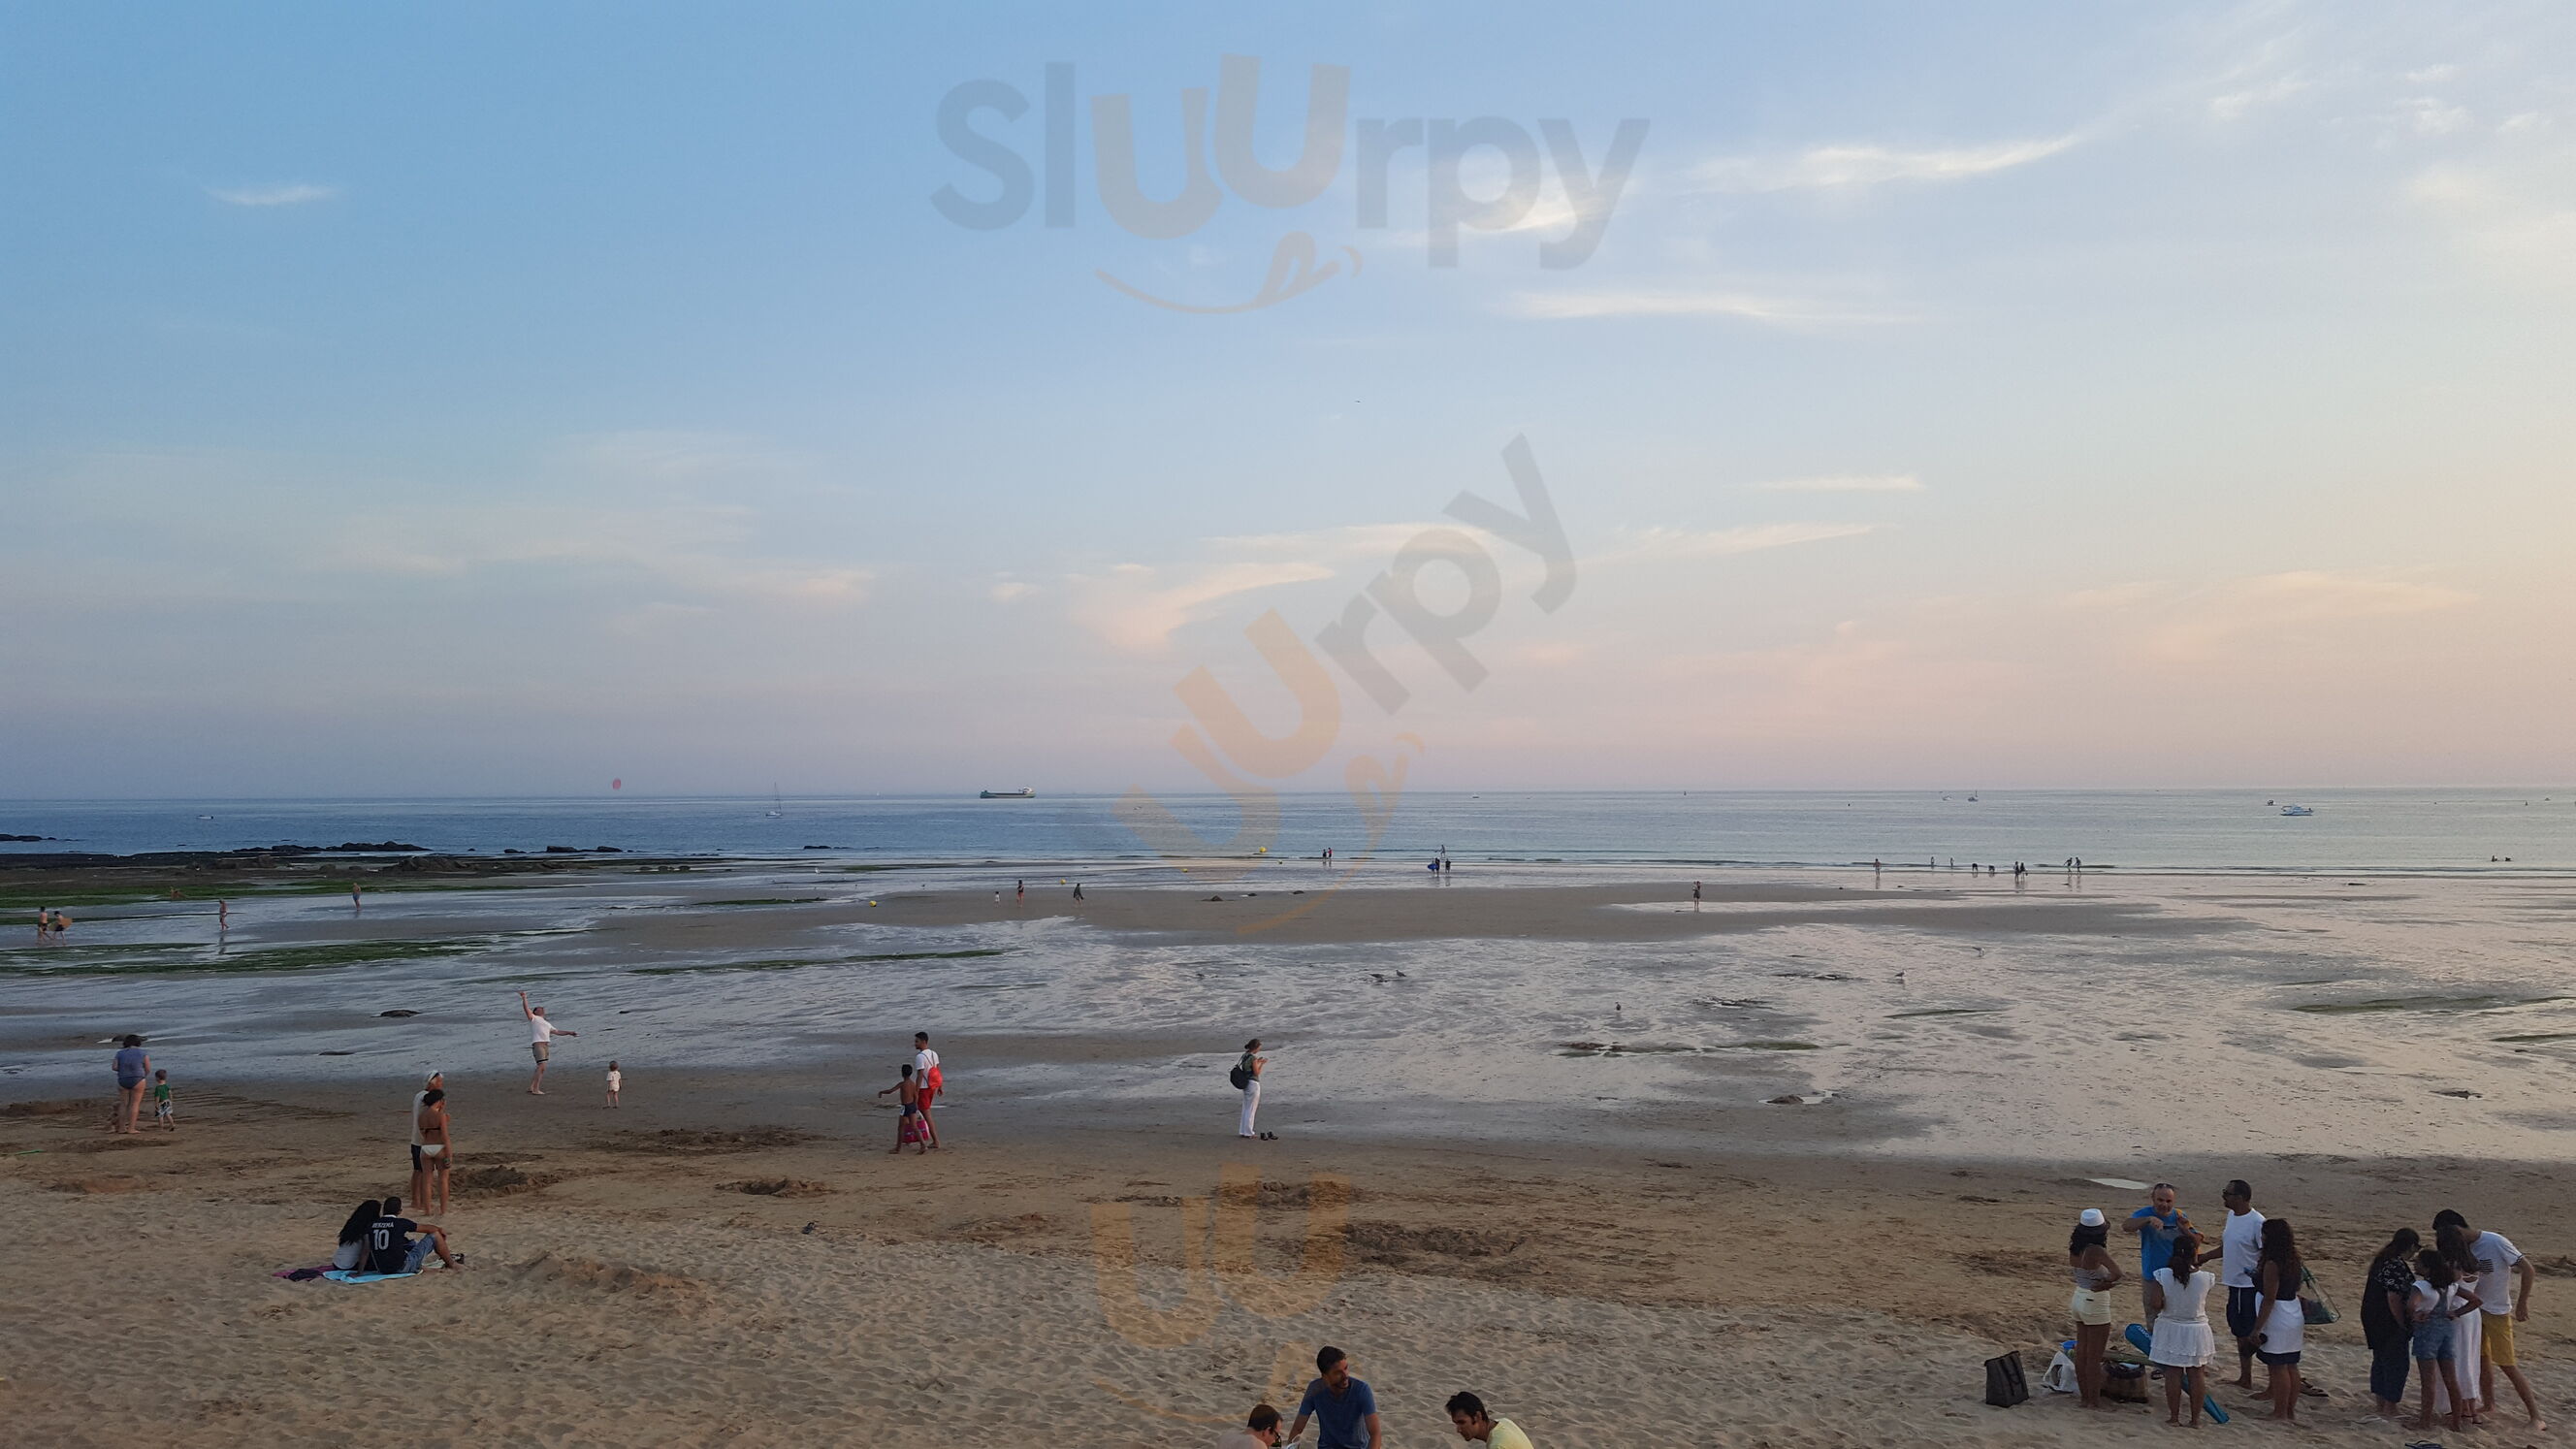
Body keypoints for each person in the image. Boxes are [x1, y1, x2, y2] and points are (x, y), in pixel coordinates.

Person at [2441, 1208, 2546, 1429]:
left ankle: (2536, 1416)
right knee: (2480, 1360)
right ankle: (2489, 1404)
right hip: (2474, 1313)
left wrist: (2522, 1303)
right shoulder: (2462, 1249)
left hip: (2497, 1311)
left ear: (2457, 1228)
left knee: (2507, 1363)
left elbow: (2528, 1269)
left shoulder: (2495, 1241)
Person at [2144, 1235, 2216, 1429]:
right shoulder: (2206, 1278)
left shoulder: (2163, 1275)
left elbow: (2155, 1304)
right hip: (2196, 1328)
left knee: (2173, 1374)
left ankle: (2174, 1417)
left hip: (2171, 1327)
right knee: (2197, 1374)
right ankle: (2195, 1419)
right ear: (2195, 1253)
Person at [2201, 1179, 2266, 1390]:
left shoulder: (2257, 1222)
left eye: (2227, 1193)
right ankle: (2245, 1376)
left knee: (2250, 1332)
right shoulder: (2232, 1216)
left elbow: (2266, 1253)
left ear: (2240, 1197)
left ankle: (2255, 1376)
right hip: (2234, 1284)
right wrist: (2204, 1257)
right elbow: (2227, 1247)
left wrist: (2258, 1275)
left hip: (2249, 1286)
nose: (2223, 1196)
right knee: (2238, 1330)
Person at [2412, 1246, 2483, 1433]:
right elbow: (2476, 1301)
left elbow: (2411, 1305)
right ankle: (2456, 1422)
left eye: (2418, 1263)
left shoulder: (2421, 1287)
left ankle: (2425, 1422)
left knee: (2428, 1380)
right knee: (2451, 1378)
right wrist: (2456, 1313)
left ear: (2427, 1267)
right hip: (2447, 1331)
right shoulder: (2451, 1286)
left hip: (2427, 1333)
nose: (2415, 1265)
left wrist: (2415, 1315)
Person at [2247, 1218, 2305, 1422]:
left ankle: (2280, 1412)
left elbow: (2269, 1298)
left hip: (2278, 1316)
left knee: (2278, 1366)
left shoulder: (2272, 1263)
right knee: (2291, 1365)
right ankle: (2289, 1410)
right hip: (2293, 1311)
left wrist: (2257, 1328)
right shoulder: (2293, 1259)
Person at [2068, 1208, 2123, 1410]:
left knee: (2081, 1352)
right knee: (2094, 1356)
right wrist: (2107, 1283)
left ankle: (2085, 1398)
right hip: (2095, 1300)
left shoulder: (2075, 1248)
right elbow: (2118, 1273)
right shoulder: (2096, 1251)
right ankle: (2094, 1400)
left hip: (2079, 1295)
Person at [2364, 1228, 2423, 1420]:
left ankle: (2381, 1404)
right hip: (2387, 1320)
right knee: (2396, 1363)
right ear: (2411, 1246)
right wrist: (2401, 1323)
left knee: (2381, 1360)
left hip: (2373, 1317)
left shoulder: (2383, 1260)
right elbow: (2393, 1297)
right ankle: (2390, 1406)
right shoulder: (2395, 1265)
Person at [2433, 1219, 2486, 1421]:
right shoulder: (2472, 1262)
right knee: (2469, 1359)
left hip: (2457, 1312)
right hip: (2472, 1316)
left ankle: (2461, 1406)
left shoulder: (2451, 1266)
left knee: (2456, 1360)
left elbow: (2450, 1289)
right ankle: (2470, 1406)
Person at [2123, 1182, 2195, 1320]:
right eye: (2160, 1200)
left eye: (2168, 1201)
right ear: (2153, 1198)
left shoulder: (2180, 1215)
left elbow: (2195, 1240)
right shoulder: (2145, 1213)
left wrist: (2185, 1229)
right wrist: (2148, 1220)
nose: (2164, 1205)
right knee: (2154, 1315)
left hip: (2178, 1273)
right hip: (2153, 1273)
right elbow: (2126, 1226)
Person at [1290, 1347, 1381, 1449]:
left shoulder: (1361, 1390)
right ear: (1325, 1377)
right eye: (1338, 1373)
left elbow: (1375, 1433)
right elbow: (1297, 1429)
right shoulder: (1315, 1390)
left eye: (1346, 1368)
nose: (1345, 1375)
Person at [365, 1195, 460, 1273]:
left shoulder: (372, 1225)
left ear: (383, 1210)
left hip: (382, 1269)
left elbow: (365, 1251)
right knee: (435, 1235)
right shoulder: (400, 1223)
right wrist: (440, 1229)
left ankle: (424, 1268)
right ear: (399, 1211)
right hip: (401, 1267)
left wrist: (360, 1272)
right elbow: (429, 1229)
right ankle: (452, 1264)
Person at [520, 990, 576, 1094]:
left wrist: (569, 1032)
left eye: (542, 1008)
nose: (541, 1008)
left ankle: (532, 1087)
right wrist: (524, 998)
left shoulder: (546, 1023)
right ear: (535, 1012)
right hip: (538, 1044)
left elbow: (557, 1031)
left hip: (545, 1045)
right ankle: (536, 1089)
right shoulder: (534, 1019)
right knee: (542, 1066)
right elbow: (526, 1009)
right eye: (538, 1008)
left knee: (540, 1066)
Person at [1445, 1390, 1533, 1447]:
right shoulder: (1504, 1422)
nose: (1458, 1430)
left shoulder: (1498, 1445)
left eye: (1462, 1422)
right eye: (1456, 1423)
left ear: (1478, 1416)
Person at [408, 1071, 444, 1208]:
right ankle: (423, 1201)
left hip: (416, 1139)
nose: (441, 1084)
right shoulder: (428, 1098)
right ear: (431, 1083)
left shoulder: (418, 1095)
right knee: (426, 1172)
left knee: (418, 1170)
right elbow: (432, 1119)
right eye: (439, 1081)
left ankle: (415, 1200)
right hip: (425, 1140)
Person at [415, 1087, 453, 1215]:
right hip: (439, 1147)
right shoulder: (440, 1116)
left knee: (427, 1180)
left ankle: (427, 1210)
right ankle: (443, 1210)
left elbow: (423, 1134)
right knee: (443, 1180)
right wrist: (449, 1155)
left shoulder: (421, 1116)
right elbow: (445, 1136)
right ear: (440, 1101)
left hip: (425, 1148)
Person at [879, 1063, 929, 1154]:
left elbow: (891, 1091)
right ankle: (923, 1145)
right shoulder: (913, 1084)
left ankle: (898, 1148)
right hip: (912, 1106)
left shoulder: (902, 1084)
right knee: (914, 1127)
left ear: (902, 1073)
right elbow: (916, 1096)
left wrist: (881, 1092)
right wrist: (915, 1106)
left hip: (905, 1107)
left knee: (901, 1127)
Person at [111, 1035, 150, 1135]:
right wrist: (143, 1076)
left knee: (123, 1104)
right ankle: (131, 1128)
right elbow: (147, 1068)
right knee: (135, 1104)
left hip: (123, 1079)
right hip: (138, 1078)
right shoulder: (143, 1053)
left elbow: (114, 1067)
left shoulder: (119, 1053)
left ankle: (121, 1128)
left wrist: (123, 1070)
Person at [333, 1198, 384, 1272]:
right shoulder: (367, 1228)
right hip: (348, 1266)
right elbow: (365, 1251)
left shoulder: (352, 1224)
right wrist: (359, 1272)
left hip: (336, 1263)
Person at [912, 1032, 942, 1148]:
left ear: (923, 1042)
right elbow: (937, 1070)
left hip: (924, 1088)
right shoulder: (934, 1054)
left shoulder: (920, 1057)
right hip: (932, 1087)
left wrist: (916, 1091)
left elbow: (919, 1075)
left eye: (917, 1041)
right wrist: (940, 1086)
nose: (915, 1043)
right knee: (924, 1112)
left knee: (926, 1114)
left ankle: (936, 1141)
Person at [1214, 1403, 1285, 1449]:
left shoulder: (1226, 1437)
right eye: (1275, 1435)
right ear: (1267, 1431)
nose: (1274, 1441)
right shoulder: (1257, 1445)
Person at [1236, 1038, 1267, 1140]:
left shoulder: (1245, 1055)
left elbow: (1248, 1067)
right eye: (1258, 1048)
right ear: (1255, 1047)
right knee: (1252, 1109)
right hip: (1253, 1083)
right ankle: (1249, 1132)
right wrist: (1261, 1064)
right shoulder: (1253, 1058)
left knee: (1246, 1107)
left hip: (1246, 1083)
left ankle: (1243, 1131)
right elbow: (1256, 1072)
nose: (1259, 1050)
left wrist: (1258, 1061)